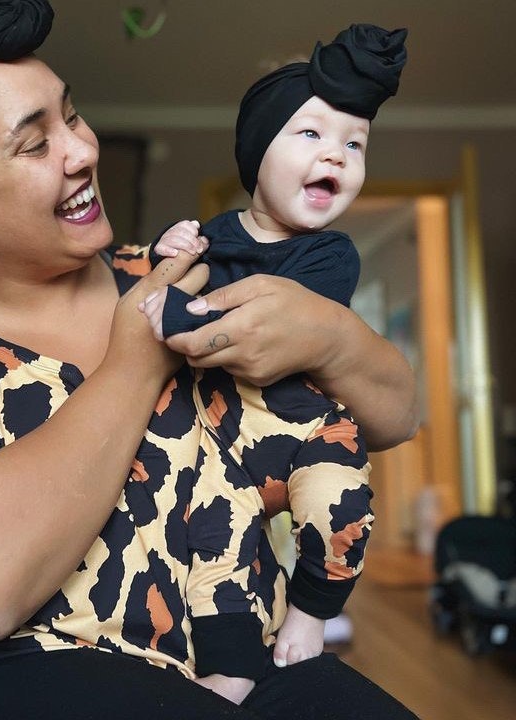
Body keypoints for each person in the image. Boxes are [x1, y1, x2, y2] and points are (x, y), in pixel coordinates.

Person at [0, 1, 418, 718]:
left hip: (240, 662)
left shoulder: (193, 279)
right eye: (34, 144)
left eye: (70, 116)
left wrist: (332, 337)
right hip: (24, 677)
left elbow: (395, 417)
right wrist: (134, 363)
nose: (82, 151)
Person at [141, 24, 407, 696]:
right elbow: (157, 282)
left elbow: (260, 322)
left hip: (300, 427)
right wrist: (165, 255)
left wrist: (176, 310)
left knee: (337, 501)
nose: (338, 155)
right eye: (312, 135)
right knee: (218, 537)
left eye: (354, 143)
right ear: (257, 152)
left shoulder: (329, 255)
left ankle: (314, 612)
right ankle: (228, 673)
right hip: (224, 435)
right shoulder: (215, 235)